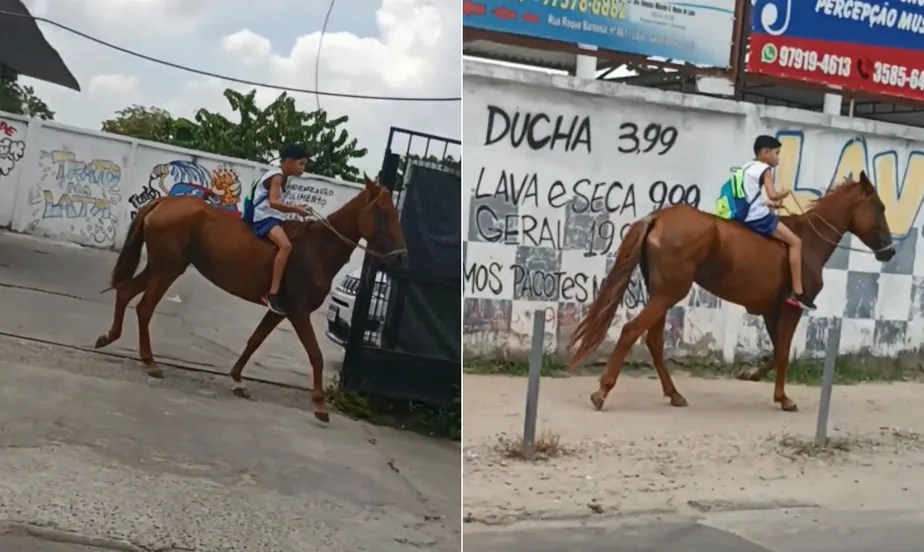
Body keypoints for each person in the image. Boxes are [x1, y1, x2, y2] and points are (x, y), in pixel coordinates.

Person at [741, 135, 816, 310]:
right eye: (776, 153)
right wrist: (784, 193)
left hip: (745, 215)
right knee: (796, 242)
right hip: (759, 218)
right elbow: (773, 193)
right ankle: (797, 292)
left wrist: (767, 204)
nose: (777, 158)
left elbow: (748, 195)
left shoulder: (746, 167)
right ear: (765, 152)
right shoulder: (764, 169)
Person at [250, 144, 313, 315]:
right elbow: (274, 202)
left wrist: (297, 207)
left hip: (273, 216)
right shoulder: (277, 177)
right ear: (289, 161)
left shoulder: (283, 178)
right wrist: (296, 210)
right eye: (301, 163)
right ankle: (273, 293)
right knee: (286, 246)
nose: (303, 168)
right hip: (265, 217)